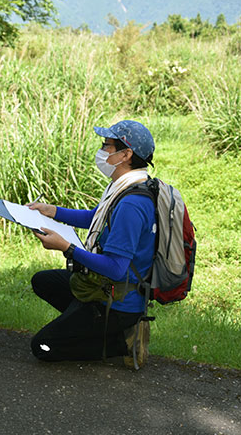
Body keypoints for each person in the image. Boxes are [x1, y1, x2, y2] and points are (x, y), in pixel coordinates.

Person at [28, 120, 156, 368]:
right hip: (103, 287)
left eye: (106, 145)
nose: (102, 151)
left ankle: (122, 341)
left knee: (42, 347)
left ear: (126, 154)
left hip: (117, 300)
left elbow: (116, 267)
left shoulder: (132, 203)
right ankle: (86, 325)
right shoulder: (125, 187)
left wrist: (67, 248)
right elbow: (95, 218)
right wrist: (52, 211)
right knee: (42, 281)